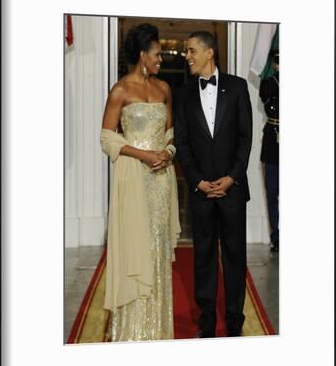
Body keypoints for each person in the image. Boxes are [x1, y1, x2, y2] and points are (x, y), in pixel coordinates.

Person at [100, 23, 180, 342]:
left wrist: (168, 152)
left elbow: (172, 133)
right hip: (133, 177)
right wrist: (143, 155)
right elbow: (107, 138)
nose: (161, 60)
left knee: (157, 246)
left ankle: (158, 328)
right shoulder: (120, 90)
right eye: (158, 54)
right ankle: (132, 331)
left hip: (161, 181)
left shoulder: (164, 89)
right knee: (136, 245)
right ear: (143, 55)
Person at [174, 31, 253, 337]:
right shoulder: (182, 93)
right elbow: (182, 142)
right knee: (203, 257)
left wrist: (231, 178)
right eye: (187, 51)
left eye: (192, 50)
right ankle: (206, 320)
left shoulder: (237, 87)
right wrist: (198, 181)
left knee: (235, 256)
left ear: (209, 53)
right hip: (201, 192)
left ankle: (235, 321)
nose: (188, 56)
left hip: (232, 190)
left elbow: (245, 138)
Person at [259, 49, 279, 252]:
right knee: (272, 191)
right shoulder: (269, 82)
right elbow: (265, 95)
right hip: (273, 139)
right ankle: (277, 236)